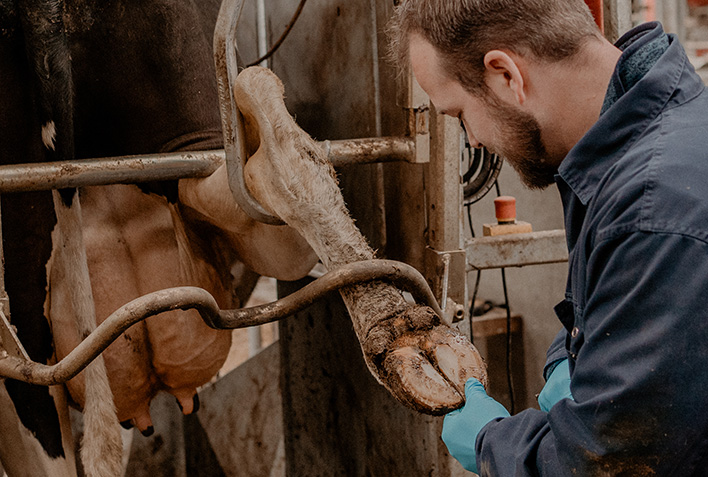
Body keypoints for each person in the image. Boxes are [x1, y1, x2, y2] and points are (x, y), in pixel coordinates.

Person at [388, 0, 708, 475]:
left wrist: (489, 441)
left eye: (458, 114)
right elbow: (611, 294)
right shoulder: (636, 142)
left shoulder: (652, 208)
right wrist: (572, 355)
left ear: (505, 75)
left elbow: (609, 464)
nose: (472, 140)